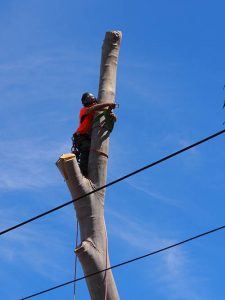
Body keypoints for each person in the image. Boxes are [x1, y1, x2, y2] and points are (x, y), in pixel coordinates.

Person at [72, 92, 116, 176]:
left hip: (86, 137)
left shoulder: (95, 112)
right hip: (81, 136)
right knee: (86, 149)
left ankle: (84, 170)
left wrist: (113, 117)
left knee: (89, 152)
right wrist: (108, 104)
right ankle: (83, 172)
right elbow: (93, 108)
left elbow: (104, 114)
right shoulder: (84, 110)